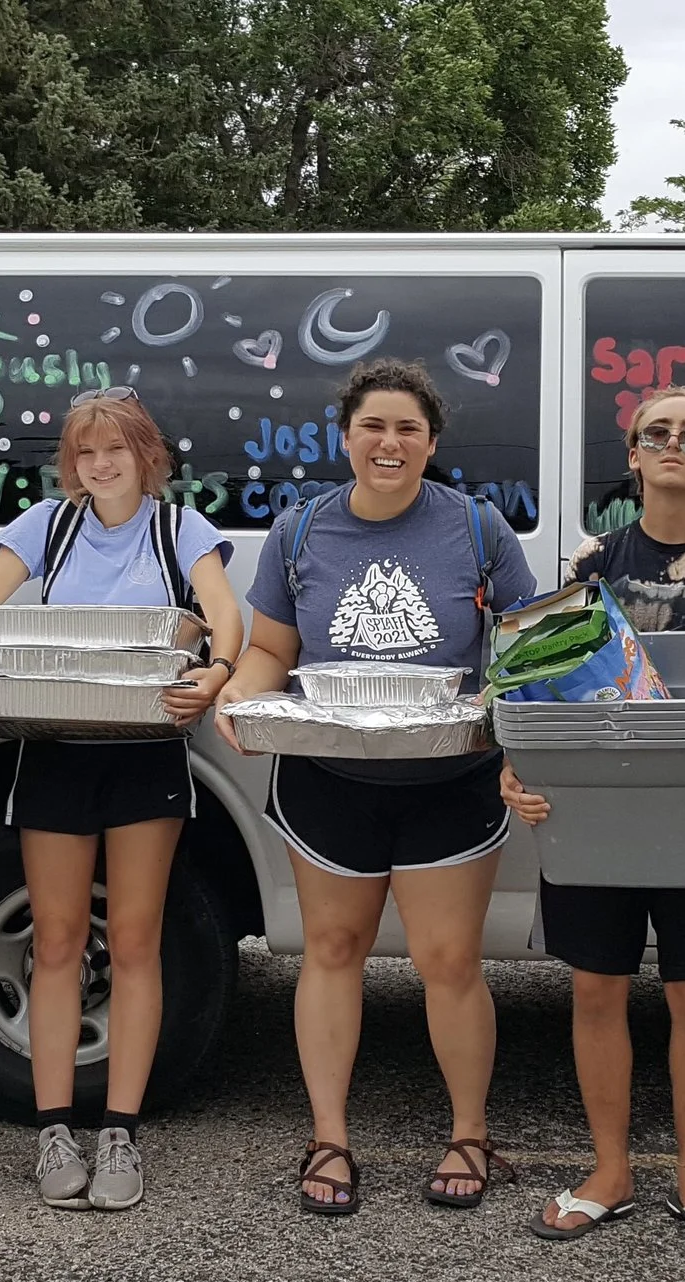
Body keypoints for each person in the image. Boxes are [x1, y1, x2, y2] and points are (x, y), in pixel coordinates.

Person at [215, 358, 539, 1216]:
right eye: (372, 427)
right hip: (328, 780)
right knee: (331, 953)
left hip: (451, 779)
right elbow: (270, 651)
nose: (388, 443)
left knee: (447, 962)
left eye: (406, 429)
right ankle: (329, 1139)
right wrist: (240, 695)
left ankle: (469, 1133)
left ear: (431, 443)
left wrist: (526, 742)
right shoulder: (300, 531)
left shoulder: (478, 529)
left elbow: (525, 649)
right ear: (346, 436)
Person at [0, 389, 242, 1213]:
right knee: (59, 940)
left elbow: (225, 620)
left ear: (148, 455)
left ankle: (122, 1132)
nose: (101, 466)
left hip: (147, 754)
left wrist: (213, 674)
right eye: (85, 453)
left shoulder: (181, 530)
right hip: (55, 751)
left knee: (135, 941)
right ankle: (54, 1127)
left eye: (117, 451)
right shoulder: (46, 526)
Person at [498, 386, 685, 1250]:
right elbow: (536, 676)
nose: (671, 444)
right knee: (595, 991)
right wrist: (518, 772)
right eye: (654, 433)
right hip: (594, 809)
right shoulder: (594, 561)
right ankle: (609, 1170)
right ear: (631, 456)